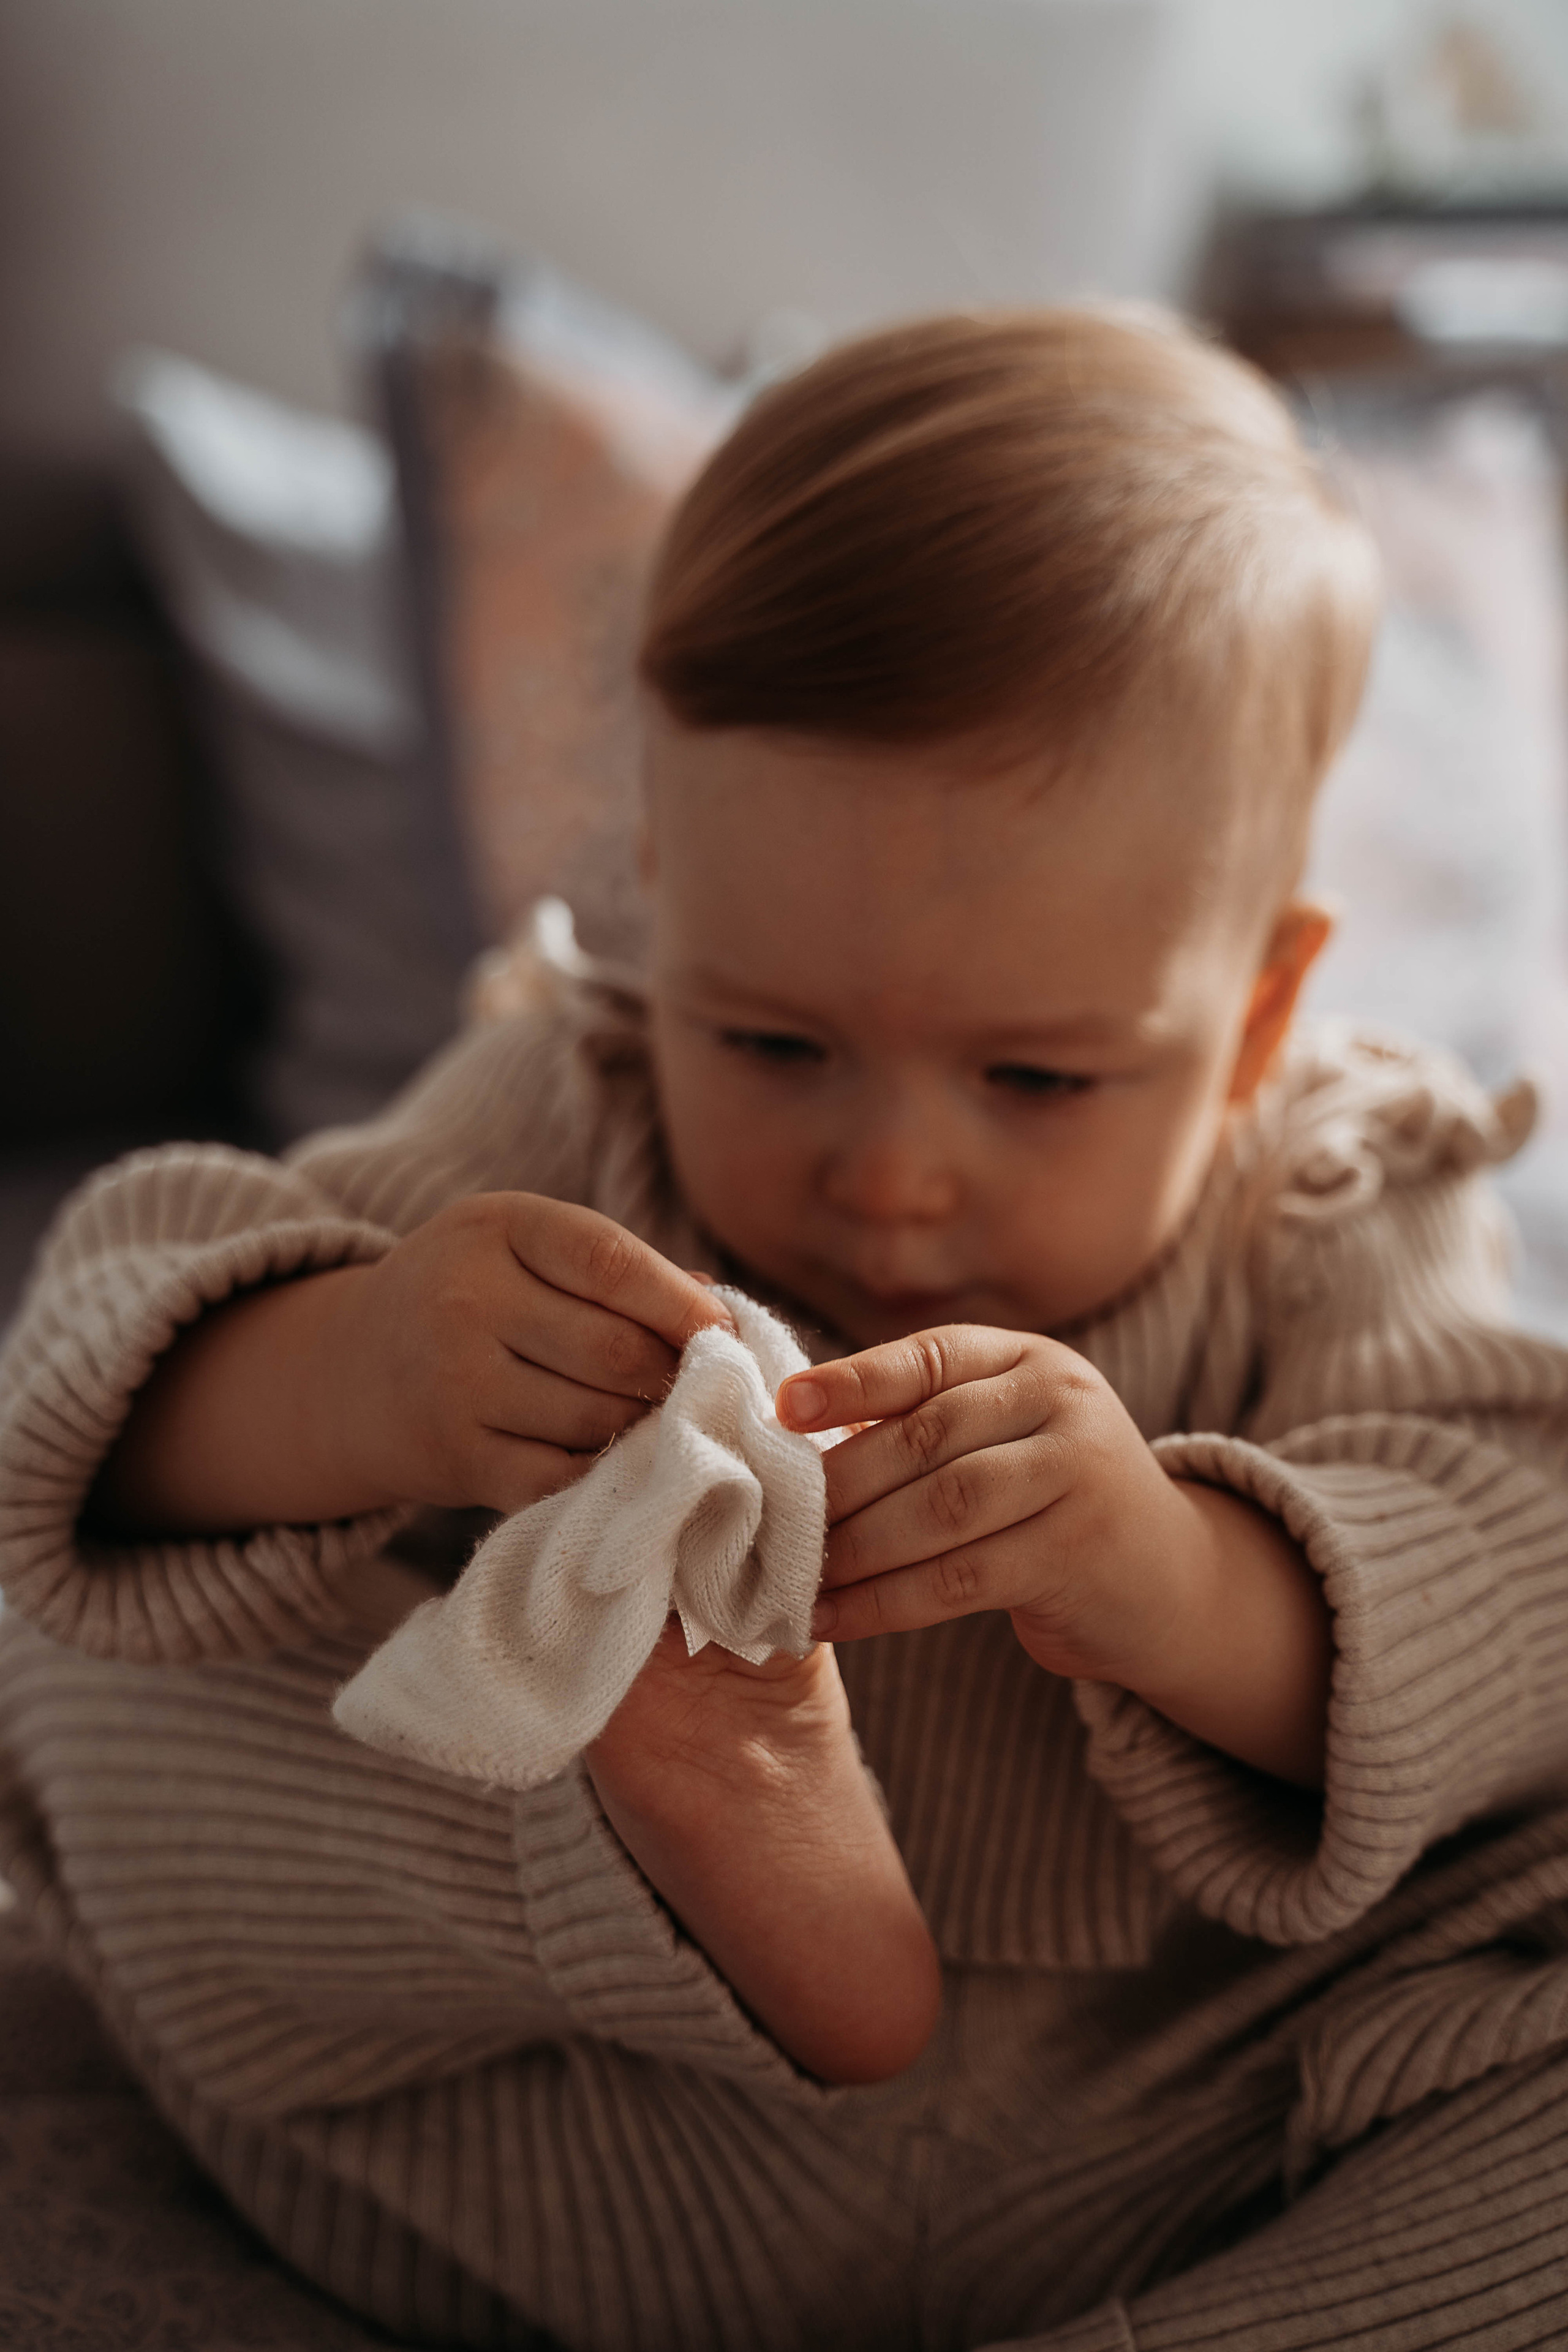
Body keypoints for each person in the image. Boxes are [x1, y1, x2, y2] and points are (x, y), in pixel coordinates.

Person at [1, 306, 1566, 2352]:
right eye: (777, 1037)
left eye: (1036, 1081)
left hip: (1191, 2129)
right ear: (661, 894)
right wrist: (359, 1370)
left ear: (1258, 1012)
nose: (894, 1176)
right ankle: (704, 1822)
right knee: (88, 1674)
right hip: (577, 2123)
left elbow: (1515, 1577)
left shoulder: (1349, 1191)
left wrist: (1169, 1572)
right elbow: (87, 1363)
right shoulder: (575, 1101)